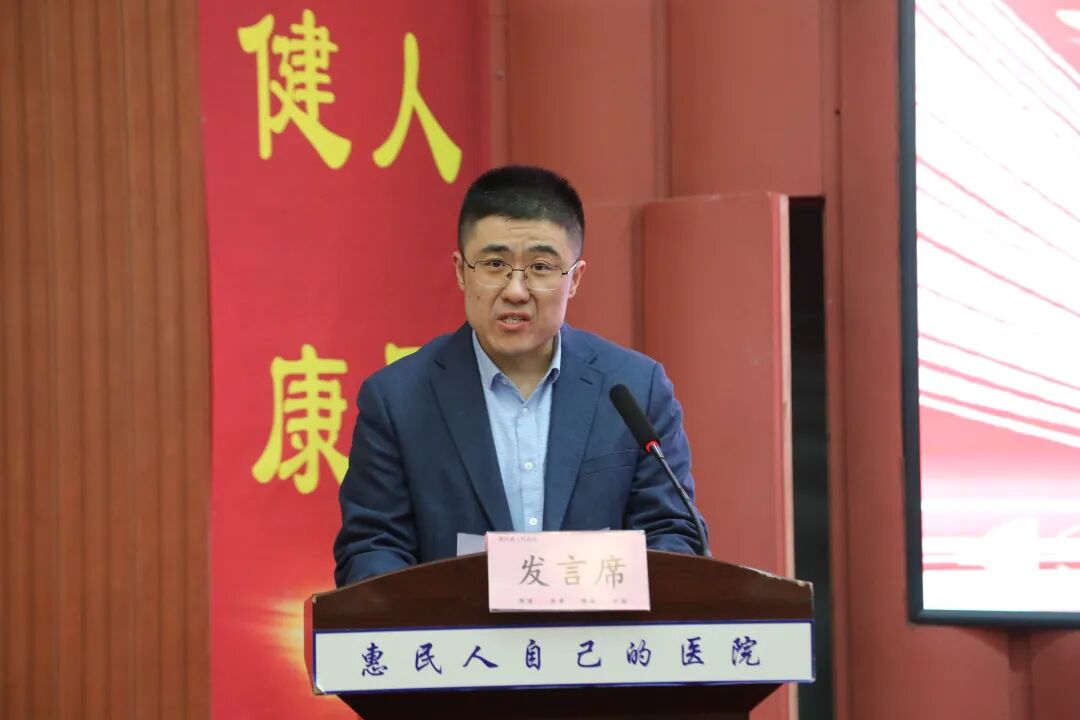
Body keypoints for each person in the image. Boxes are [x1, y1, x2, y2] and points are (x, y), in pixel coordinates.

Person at [333, 165, 706, 586]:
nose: (515, 290)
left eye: (541, 267)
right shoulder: (397, 400)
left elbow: (673, 534)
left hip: (602, 629)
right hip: (454, 628)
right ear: (460, 271)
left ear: (575, 278)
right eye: (494, 264)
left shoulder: (636, 389)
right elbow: (372, 547)